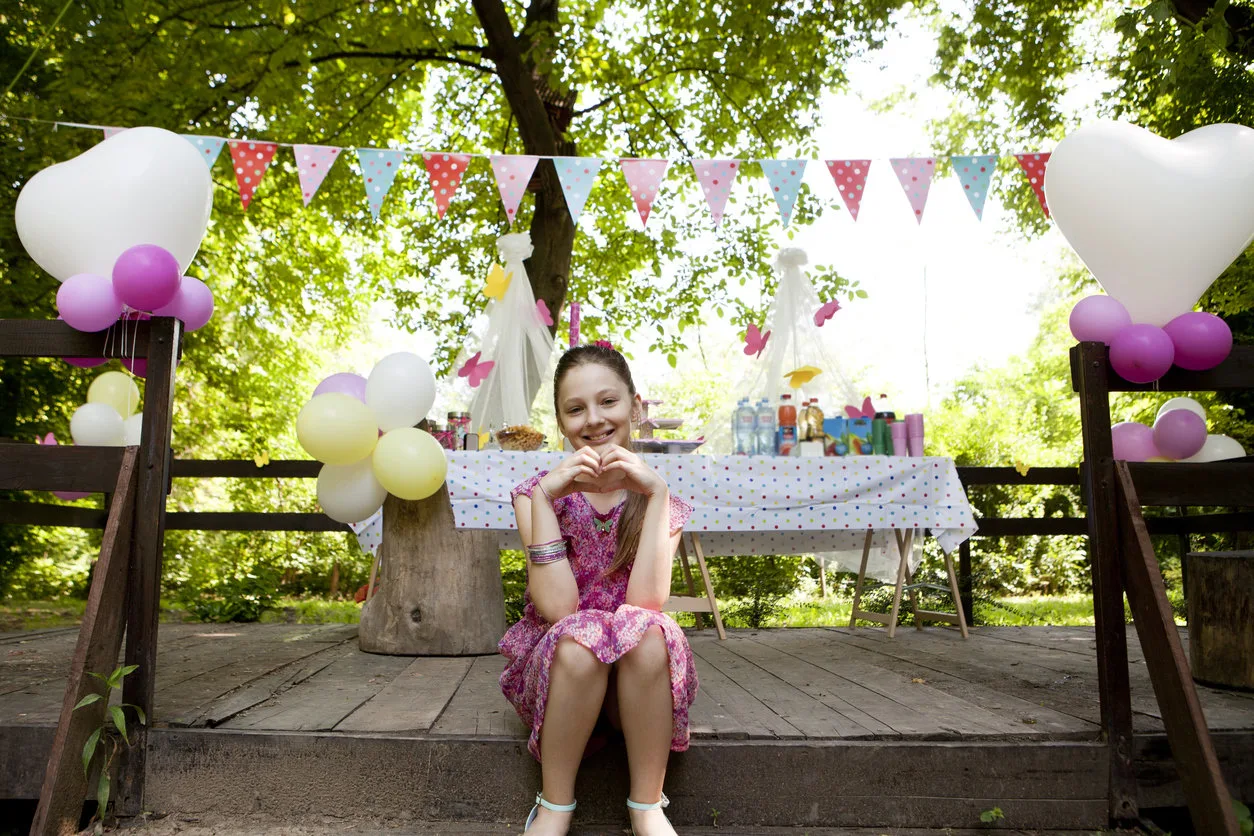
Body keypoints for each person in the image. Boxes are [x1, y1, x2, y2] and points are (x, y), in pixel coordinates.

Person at [498, 343, 697, 836]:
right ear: (561, 420)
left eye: (608, 402)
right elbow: (559, 607)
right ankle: (554, 805)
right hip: (563, 672)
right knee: (582, 635)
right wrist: (546, 497)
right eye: (575, 408)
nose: (594, 419)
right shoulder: (536, 494)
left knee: (649, 629)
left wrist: (655, 495)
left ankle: (647, 805)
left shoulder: (659, 498)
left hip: (638, 679)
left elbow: (648, 601)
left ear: (634, 405)